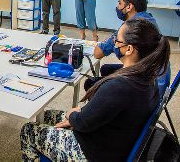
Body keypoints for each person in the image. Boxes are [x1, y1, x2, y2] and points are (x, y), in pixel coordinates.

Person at [21, 19, 170, 161]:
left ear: (129, 49)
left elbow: (82, 123)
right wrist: (79, 116)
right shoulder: (147, 77)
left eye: (117, 41)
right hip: (111, 139)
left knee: (28, 130)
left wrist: (73, 115)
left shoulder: (119, 86)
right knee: (47, 115)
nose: (113, 43)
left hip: (94, 152)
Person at [85, 0, 159, 90]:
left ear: (129, 7)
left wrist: (107, 42)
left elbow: (98, 53)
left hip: (142, 79)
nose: (117, 7)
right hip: (152, 73)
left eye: (120, 3)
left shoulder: (131, 27)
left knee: (90, 83)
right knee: (105, 69)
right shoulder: (149, 19)